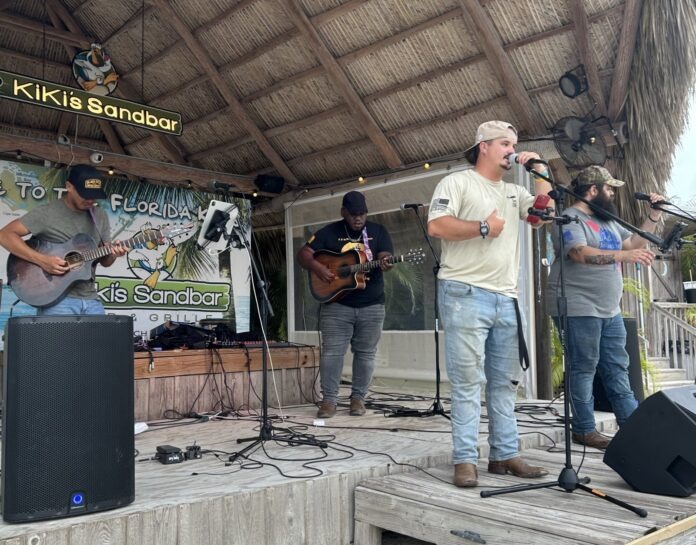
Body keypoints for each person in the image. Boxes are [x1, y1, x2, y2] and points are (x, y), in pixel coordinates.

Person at [427, 120, 553, 487]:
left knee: (504, 383)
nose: (511, 150)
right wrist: (483, 227)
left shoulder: (514, 192)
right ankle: (465, 459)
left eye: (514, 143)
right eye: (504, 143)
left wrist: (541, 172)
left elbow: (541, 215)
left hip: (506, 297)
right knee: (468, 381)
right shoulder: (457, 181)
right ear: (483, 146)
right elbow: (436, 226)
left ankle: (504, 454)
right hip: (464, 292)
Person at [546, 165, 663, 449]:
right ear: (593, 190)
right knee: (584, 367)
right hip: (577, 305)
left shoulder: (607, 220)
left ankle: (633, 426)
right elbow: (579, 253)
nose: (612, 194)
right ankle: (584, 429)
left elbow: (634, 241)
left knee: (617, 367)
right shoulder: (569, 218)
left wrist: (654, 215)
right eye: (609, 189)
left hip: (609, 309)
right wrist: (624, 254)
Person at [297, 190, 393, 418]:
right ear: (343, 212)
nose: (358, 218)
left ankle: (358, 399)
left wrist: (387, 262)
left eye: (362, 214)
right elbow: (304, 254)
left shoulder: (378, 231)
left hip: (372, 304)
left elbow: (385, 255)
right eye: (353, 214)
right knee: (332, 353)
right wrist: (318, 268)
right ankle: (328, 401)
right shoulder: (329, 232)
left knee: (366, 354)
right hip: (336, 305)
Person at [0, 164, 126, 315]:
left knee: (99, 338)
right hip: (56, 300)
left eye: (94, 195)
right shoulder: (47, 213)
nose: (91, 200)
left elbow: (105, 261)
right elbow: (5, 235)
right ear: (69, 187)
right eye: (85, 194)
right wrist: (42, 261)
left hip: (90, 297)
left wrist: (114, 254)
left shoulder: (100, 216)